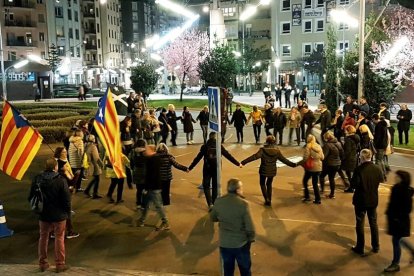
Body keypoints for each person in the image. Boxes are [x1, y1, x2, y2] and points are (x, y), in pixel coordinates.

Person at [28, 158, 71, 273]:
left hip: (43, 214)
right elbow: (66, 200)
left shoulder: (37, 179)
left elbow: (31, 196)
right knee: (59, 238)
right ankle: (60, 264)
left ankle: (42, 263)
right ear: (55, 167)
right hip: (59, 214)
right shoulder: (61, 180)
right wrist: (68, 213)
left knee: (43, 237)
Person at [210, 179, 255, 276]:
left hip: (225, 243)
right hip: (241, 243)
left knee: (228, 270)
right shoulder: (243, 204)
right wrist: (251, 239)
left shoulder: (219, 201)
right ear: (238, 190)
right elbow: (250, 227)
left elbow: (213, 217)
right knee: (245, 270)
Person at [188, 132, 241, 209]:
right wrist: (238, 164)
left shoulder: (205, 146)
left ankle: (210, 204)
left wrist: (190, 168)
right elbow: (228, 156)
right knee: (215, 185)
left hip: (207, 168)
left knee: (206, 185)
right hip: (217, 168)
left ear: (209, 138)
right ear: (216, 138)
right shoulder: (219, 146)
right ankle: (214, 203)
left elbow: (198, 158)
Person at [241, 135, 296, 206]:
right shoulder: (277, 151)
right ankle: (269, 199)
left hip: (263, 170)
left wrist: (243, 162)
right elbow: (284, 160)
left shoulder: (263, 150)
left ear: (267, 141)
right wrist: (293, 165)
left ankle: (266, 199)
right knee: (269, 184)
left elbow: (254, 157)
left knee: (262, 183)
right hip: (272, 170)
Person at [350, 149, 384, 256]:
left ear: (362, 157)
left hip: (361, 200)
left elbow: (353, 185)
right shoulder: (377, 168)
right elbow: (381, 180)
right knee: (373, 223)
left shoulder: (359, 170)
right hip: (373, 199)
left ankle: (360, 247)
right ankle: (376, 246)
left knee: (360, 223)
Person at [383, 170, 414, 273]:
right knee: (398, 239)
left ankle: (395, 264)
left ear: (402, 178)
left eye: (397, 177)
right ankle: (412, 251)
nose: (395, 178)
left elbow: (408, 209)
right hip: (394, 219)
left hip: (399, 221)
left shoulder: (405, 191)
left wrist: (396, 217)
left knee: (396, 241)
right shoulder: (396, 188)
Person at [138, 145, 170, 230]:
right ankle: (142, 220)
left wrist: (146, 187)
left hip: (153, 187)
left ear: (152, 150)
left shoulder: (154, 159)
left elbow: (152, 175)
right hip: (151, 187)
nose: (145, 151)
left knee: (158, 205)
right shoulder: (151, 158)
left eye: (147, 149)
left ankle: (165, 222)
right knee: (146, 204)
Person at [299, 134, 324, 204]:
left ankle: (307, 197)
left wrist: (299, 163)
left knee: (305, 181)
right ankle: (318, 199)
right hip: (319, 167)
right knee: (315, 183)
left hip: (311, 168)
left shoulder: (308, 146)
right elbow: (322, 158)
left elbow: (305, 158)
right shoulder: (319, 146)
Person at [319, 131, 343, 198]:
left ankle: (322, 190)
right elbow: (342, 153)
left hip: (329, 164)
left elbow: (324, 156)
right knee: (331, 178)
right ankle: (332, 194)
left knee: (321, 176)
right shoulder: (338, 143)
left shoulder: (327, 145)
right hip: (337, 164)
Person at [339, 125, 360, 193]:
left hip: (349, 158)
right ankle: (353, 186)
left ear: (348, 131)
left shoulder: (348, 139)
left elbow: (347, 151)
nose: (345, 132)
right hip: (354, 157)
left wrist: (343, 157)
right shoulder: (356, 137)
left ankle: (351, 187)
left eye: (346, 130)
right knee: (352, 173)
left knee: (348, 173)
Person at [84, 135, 104, 199]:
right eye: (94, 138)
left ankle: (87, 190)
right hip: (94, 165)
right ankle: (94, 193)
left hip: (90, 163)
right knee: (97, 179)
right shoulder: (93, 147)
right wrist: (101, 164)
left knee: (95, 178)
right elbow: (96, 158)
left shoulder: (86, 145)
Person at [130, 139, 147, 208]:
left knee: (139, 189)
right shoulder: (145, 151)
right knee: (145, 189)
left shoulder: (133, 151)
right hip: (145, 172)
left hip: (136, 171)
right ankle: (144, 204)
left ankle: (138, 203)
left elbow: (131, 162)